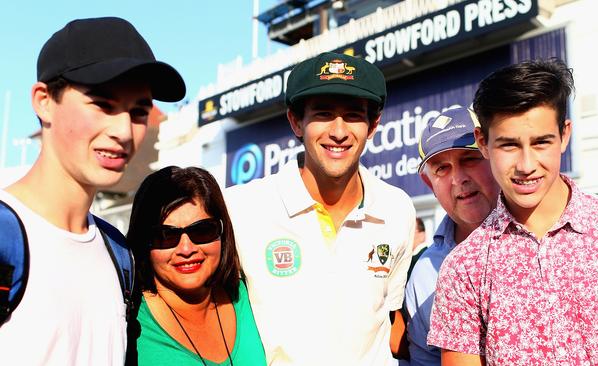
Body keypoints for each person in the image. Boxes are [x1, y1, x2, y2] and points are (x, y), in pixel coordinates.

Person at [427, 59, 598, 365]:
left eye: (541, 142)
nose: (527, 165)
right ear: (483, 143)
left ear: (565, 134)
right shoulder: (464, 269)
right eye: (508, 146)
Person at [0, 17, 185, 365]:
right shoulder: (5, 238)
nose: (123, 131)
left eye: (138, 112)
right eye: (103, 104)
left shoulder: (119, 255)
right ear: (43, 101)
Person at [225, 51, 416, 365]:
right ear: (296, 121)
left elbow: (389, 318)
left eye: (354, 115)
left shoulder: (397, 208)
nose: (338, 132)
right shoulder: (242, 208)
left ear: (373, 125)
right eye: (324, 114)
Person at [126, 166, 266, 365]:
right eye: (166, 236)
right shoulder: (126, 321)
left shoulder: (250, 295)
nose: (186, 248)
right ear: (143, 241)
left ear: (222, 232)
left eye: (202, 230)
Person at [403, 107, 499, 366]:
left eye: (470, 159)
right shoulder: (425, 272)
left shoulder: (544, 237)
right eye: (441, 168)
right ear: (428, 184)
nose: (458, 179)